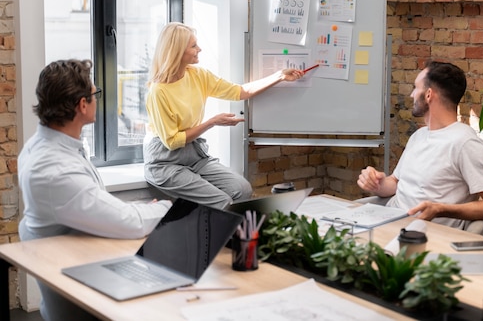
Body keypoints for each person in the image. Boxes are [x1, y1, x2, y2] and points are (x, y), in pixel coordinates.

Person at [18, 59, 173, 321]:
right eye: (94, 93)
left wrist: (135, 211)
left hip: (86, 272)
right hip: (85, 299)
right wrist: (169, 207)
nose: (97, 99)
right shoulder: (56, 171)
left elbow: (94, 205)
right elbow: (131, 223)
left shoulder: (42, 147)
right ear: (82, 105)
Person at [143, 22, 304, 209]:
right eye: (193, 45)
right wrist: (212, 122)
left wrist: (280, 76)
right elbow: (172, 141)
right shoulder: (158, 91)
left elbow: (240, 91)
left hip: (194, 155)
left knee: (242, 189)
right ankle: (227, 237)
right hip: (165, 161)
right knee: (222, 202)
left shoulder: (198, 75)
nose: (200, 49)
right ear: (178, 51)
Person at [357, 60, 483, 230]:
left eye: (416, 88)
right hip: (387, 223)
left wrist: (440, 209)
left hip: (420, 238)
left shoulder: (465, 143)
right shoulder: (419, 135)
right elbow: (396, 183)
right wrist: (376, 183)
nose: (412, 95)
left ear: (428, 94)